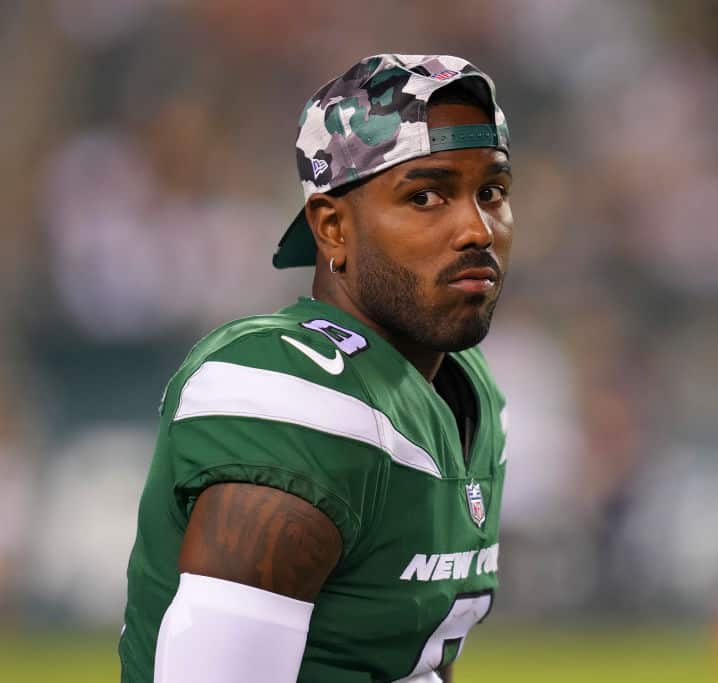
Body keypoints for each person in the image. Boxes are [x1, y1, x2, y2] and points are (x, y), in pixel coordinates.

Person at [118, 54, 514, 683]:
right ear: (332, 227)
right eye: (427, 195)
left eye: (490, 191)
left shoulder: (468, 390)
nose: (477, 228)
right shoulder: (296, 393)